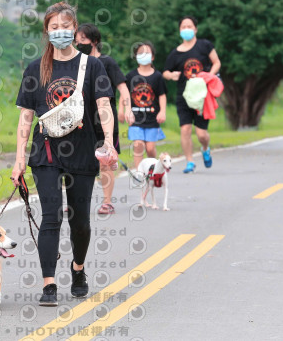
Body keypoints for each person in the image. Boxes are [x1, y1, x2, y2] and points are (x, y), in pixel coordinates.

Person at [12, 2, 117, 307]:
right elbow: (25, 117)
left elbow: (104, 106)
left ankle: (78, 269)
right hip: (46, 152)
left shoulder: (92, 66)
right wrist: (19, 159)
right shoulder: (35, 69)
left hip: (83, 151)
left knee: (80, 220)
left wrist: (109, 142)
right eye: (54, 27)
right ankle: (49, 283)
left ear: (75, 28)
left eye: (65, 26)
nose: (60, 31)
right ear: (47, 31)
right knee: (51, 215)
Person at [75, 23, 134, 215]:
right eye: (76, 40)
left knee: (104, 162)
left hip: (104, 122)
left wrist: (128, 109)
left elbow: (123, 88)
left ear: (94, 41)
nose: (79, 43)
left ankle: (107, 202)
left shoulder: (107, 62)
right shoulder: (76, 64)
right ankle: (76, 202)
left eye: (83, 39)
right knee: (78, 163)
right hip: (81, 121)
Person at [163, 16, 221, 173]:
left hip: (202, 96)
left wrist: (209, 76)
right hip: (184, 96)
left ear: (195, 29)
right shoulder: (175, 53)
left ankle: (205, 148)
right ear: (179, 30)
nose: (186, 29)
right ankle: (189, 161)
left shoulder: (204, 45)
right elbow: (165, 72)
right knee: (185, 129)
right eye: (183, 27)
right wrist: (171, 75)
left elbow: (216, 62)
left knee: (201, 134)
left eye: (189, 26)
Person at [123, 41, 167, 169]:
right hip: (136, 118)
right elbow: (125, 94)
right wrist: (124, 110)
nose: (143, 55)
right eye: (140, 52)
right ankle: (139, 173)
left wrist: (162, 111)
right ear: (136, 56)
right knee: (138, 145)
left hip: (152, 118)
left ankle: (153, 168)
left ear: (152, 57)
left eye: (147, 53)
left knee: (150, 148)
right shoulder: (131, 76)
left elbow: (162, 95)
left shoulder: (157, 76)